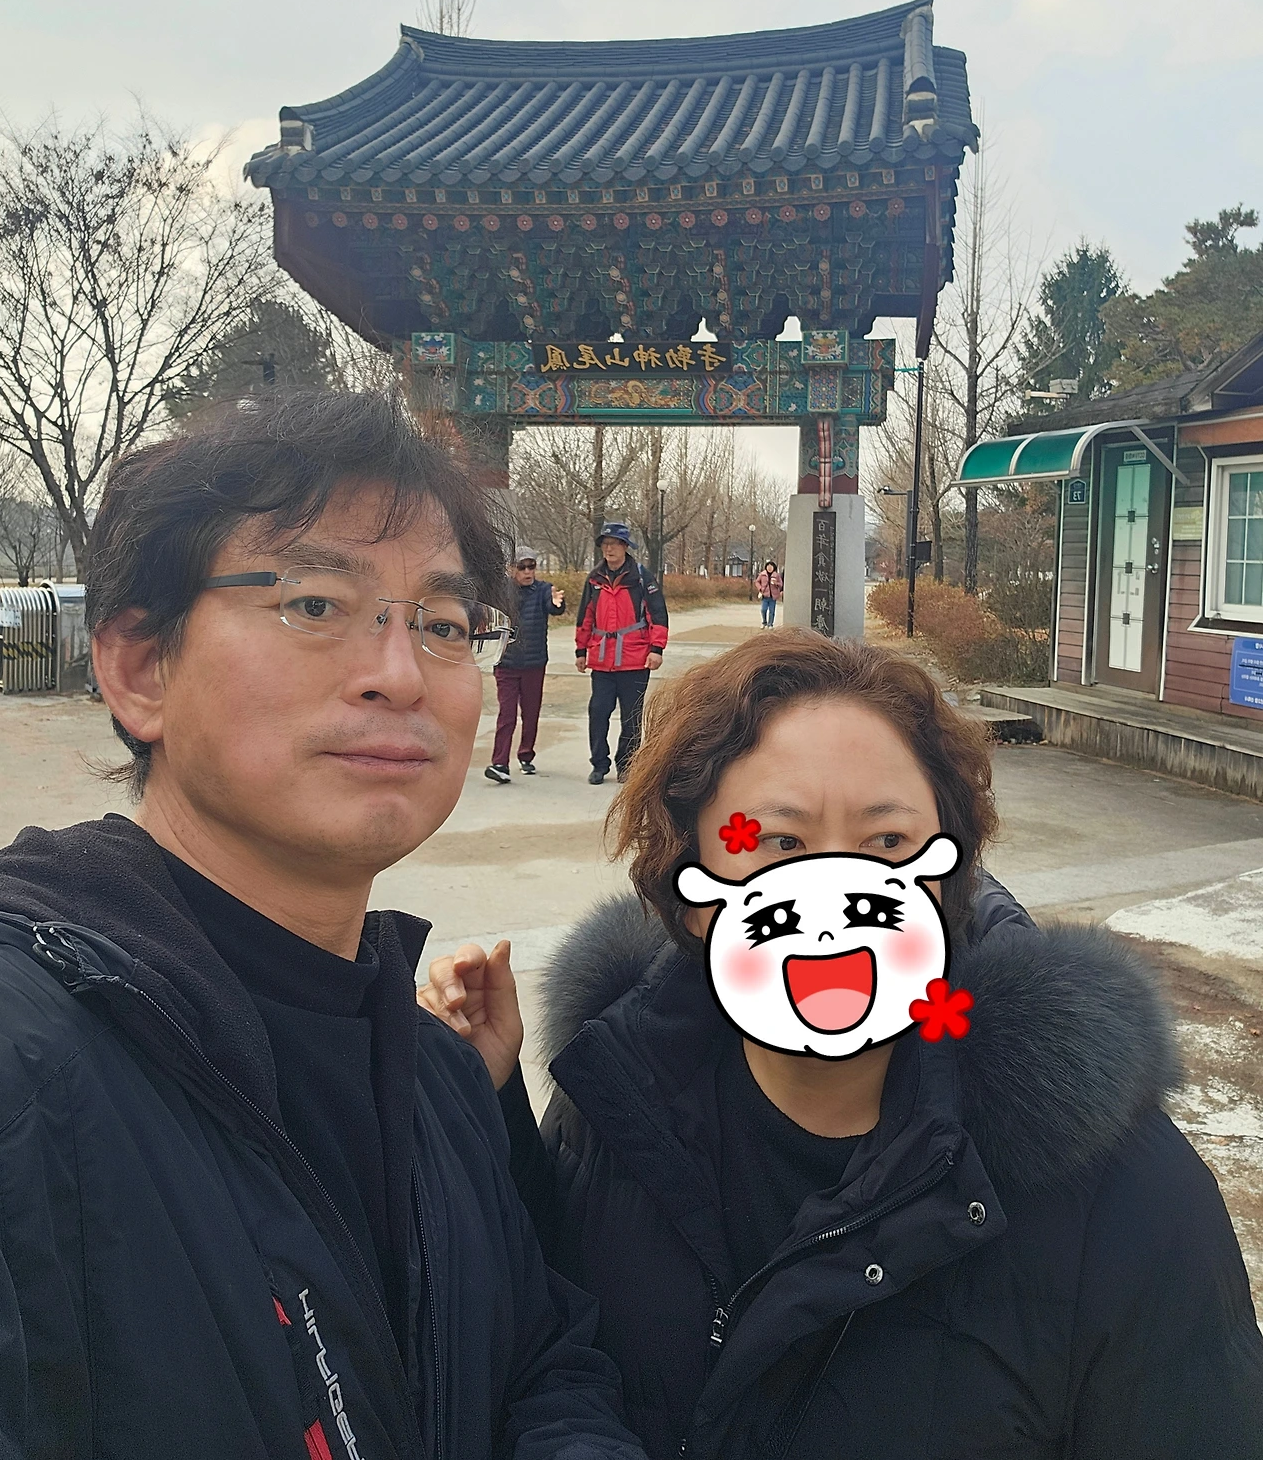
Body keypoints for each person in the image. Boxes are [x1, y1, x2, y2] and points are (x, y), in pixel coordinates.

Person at [0, 392, 651, 1460]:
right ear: (140, 667)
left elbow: (539, 1363)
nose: (398, 673)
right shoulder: (16, 1075)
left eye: (442, 624)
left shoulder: (439, 1080)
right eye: (314, 603)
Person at [420, 630, 1263, 1460]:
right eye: (779, 843)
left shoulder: (1121, 1190)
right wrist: (491, 1112)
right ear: (692, 885)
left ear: (948, 872)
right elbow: (548, 1336)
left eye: (887, 843)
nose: (831, 905)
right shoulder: (621, 1090)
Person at [575, 522, 668, 786]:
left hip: (634, 659)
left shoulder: (641, 577)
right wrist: (581, 650)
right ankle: (599, 763)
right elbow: (585, 616)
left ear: (625, 547)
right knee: (598, 712)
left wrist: (656, 649)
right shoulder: (594, 579)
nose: (609, 549)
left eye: (614, 544)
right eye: (605, 544)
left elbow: (658, 614)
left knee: (631, 717)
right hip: (602, 660)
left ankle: (626, 764)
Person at [486, 546, 566, 783]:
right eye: (522, 567)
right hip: (506, 664)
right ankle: (500, 763)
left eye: (532, 566)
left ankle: (526, 755)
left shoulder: (543, 590)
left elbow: (554, 607)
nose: (528, 571)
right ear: (511, 569)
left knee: (530, 714)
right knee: (507, 715)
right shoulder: (500, 592)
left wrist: (557, 603)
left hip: (534, 664)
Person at [755, 559, 782, 627]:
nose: (769, 568)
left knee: (771, 611)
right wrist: (760, 588)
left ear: (774, 567)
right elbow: (757, 582)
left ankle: (770, 624)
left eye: (771, 567)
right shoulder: (762, 574)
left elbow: (781, 584)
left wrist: (776, 583)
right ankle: (764, 622)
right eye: (768, 566)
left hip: (773, 596)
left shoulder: (776, 575)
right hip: (765, 595)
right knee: (763, 610)